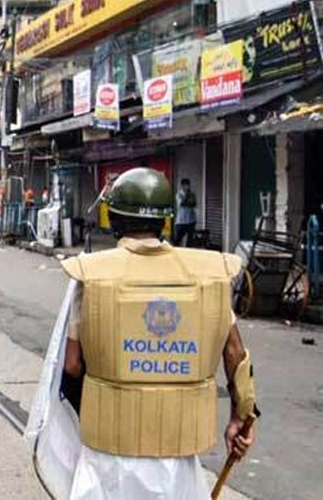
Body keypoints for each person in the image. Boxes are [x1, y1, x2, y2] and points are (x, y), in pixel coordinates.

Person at [49, 167, 257, 499]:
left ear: (114, 220)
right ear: (165, 221)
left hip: (107, 450)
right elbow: (235, 354)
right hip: (176, 451)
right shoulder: (208, 275)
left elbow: (72, 365)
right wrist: (241, 418)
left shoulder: (92, 276)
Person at [173, 178, 198, 247]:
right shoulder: (179, 194)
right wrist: (187, 196)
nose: (188, 187)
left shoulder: (192, 194)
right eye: (186, 185)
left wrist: (189, 202)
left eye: (188, 185)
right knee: (177, 240)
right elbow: (182, 203)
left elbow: (194, 204)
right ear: (182, 186)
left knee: (190, 241)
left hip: (191, 220)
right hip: (181, 221)